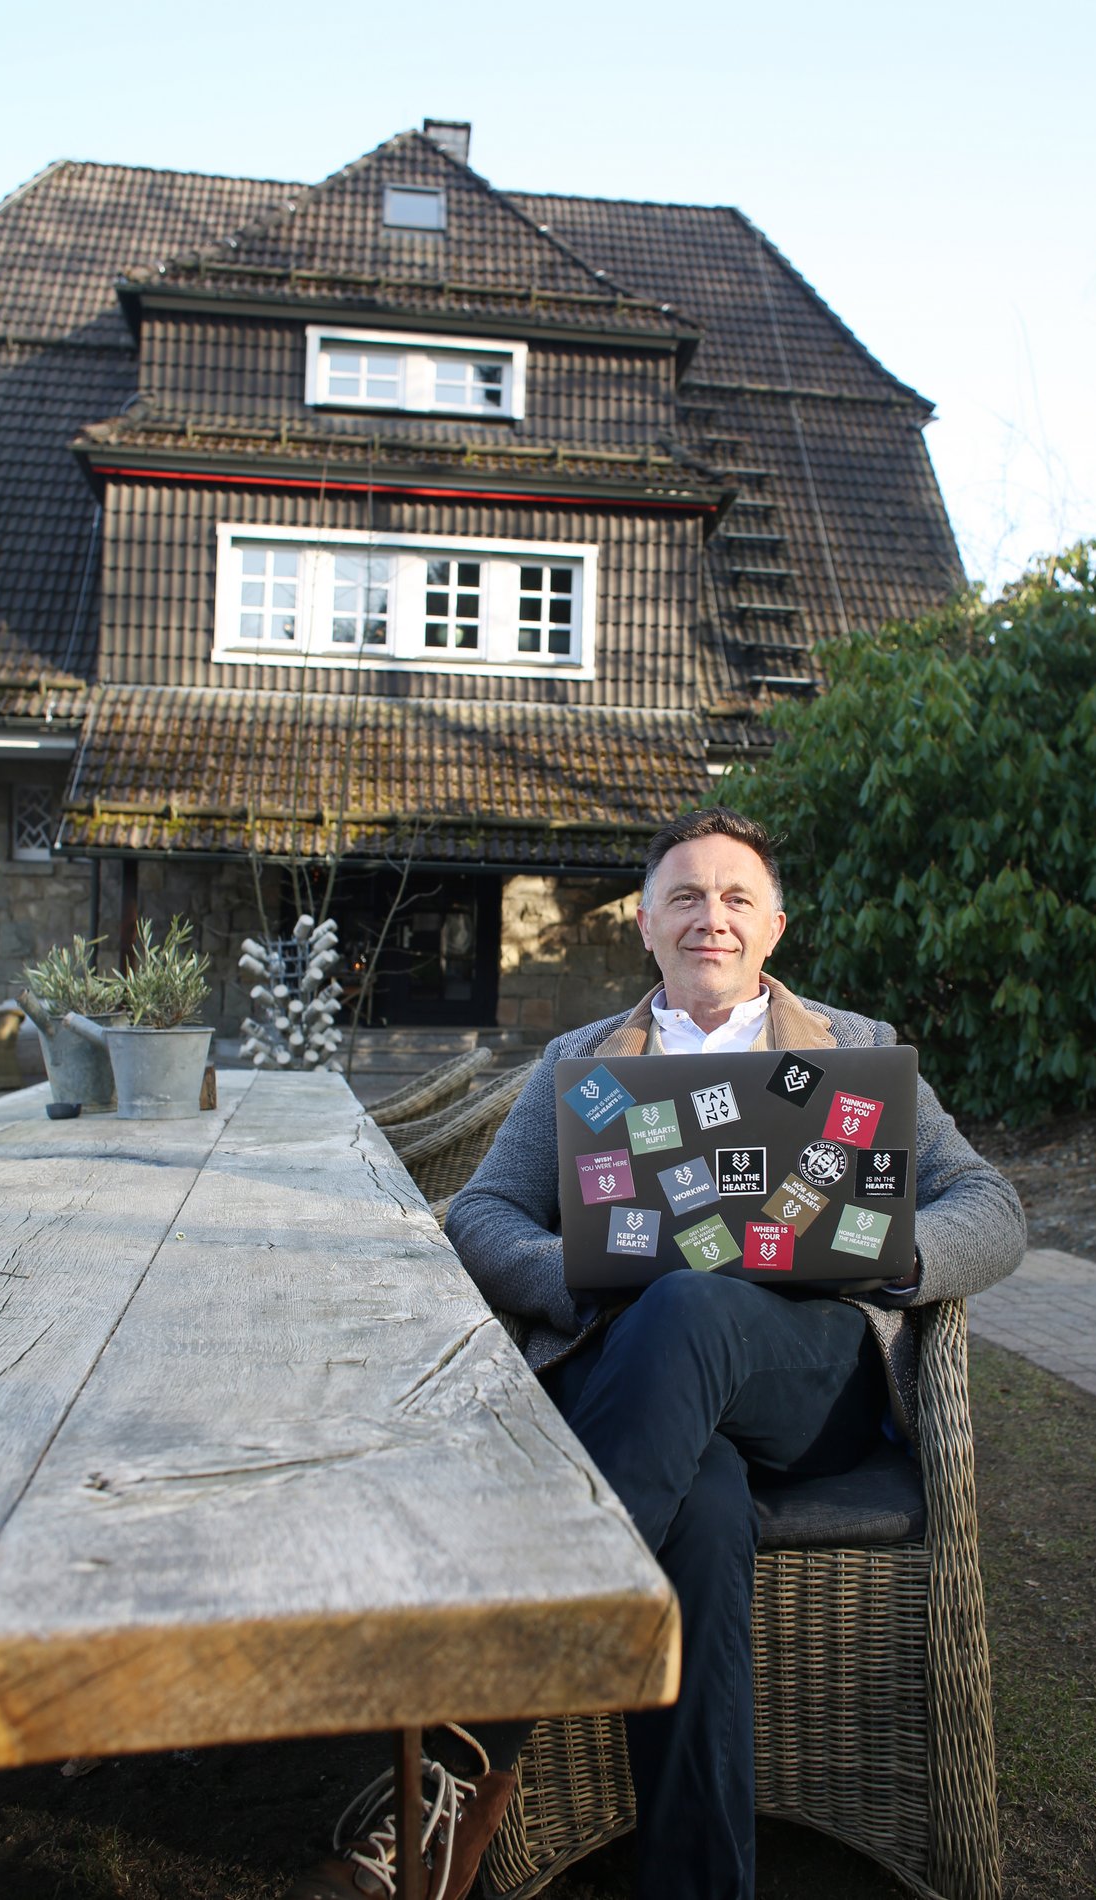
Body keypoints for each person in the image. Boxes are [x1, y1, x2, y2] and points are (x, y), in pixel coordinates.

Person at [287, 806, 1026, 1900]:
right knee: (705, 1500)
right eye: (684, 895)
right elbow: (484, 1214)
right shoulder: (579, 1063)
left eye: (736, 897)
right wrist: (575, 1269)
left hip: (802, 1375)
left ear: (775, 925)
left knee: (688, 1307)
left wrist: (891, 1246)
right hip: (643, 1383)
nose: (710, 917)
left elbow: (995, 1204)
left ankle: (466, 1750)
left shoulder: (858, 1053)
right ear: (645, 921)